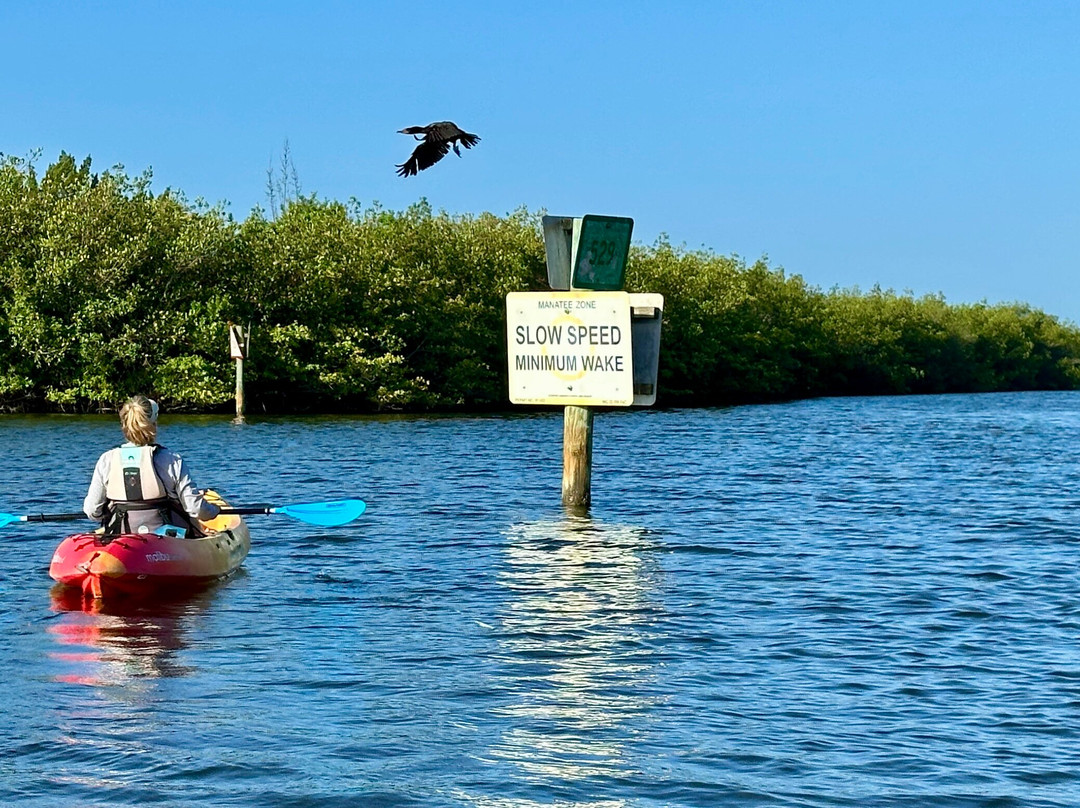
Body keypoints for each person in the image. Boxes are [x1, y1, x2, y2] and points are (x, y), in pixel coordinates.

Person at [83, 395, 220, 536]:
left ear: (124, 426)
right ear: (153, 425)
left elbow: (92, 511)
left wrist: (107, 514)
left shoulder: (106, 460)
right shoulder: (172, 460)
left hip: (122, 537)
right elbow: (195, 508)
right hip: (167, 541)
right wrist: (214, 510)